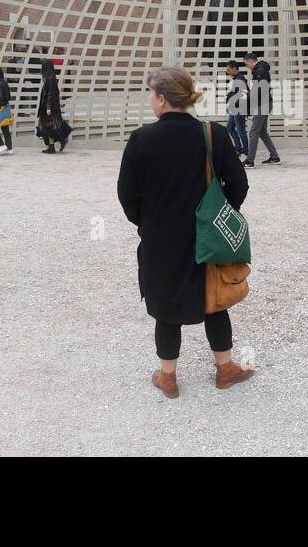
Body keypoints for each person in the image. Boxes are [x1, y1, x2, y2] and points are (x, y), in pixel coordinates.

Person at [117, 66, 254, 398]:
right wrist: (219, 215)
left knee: (166, 309)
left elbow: (126, 194)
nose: (150, 99)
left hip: (160, 241)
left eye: (151, 93)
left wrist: (147, 224)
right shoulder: (213, 134)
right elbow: (239, 184)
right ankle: (224, 369)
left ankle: (168, 377)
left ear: (162, 99)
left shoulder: (141, 139)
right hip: (205, 237)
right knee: (215, 302)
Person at [242, 52, 281, 168]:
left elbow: (259, 90)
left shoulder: (259, 71)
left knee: (253, 132)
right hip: (264, 103)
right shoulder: (261, 69)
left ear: (250, 61)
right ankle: (275, 157)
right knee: (262, 132)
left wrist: (248, 97)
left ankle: (249, 161)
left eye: (246, 64)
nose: (247, 67)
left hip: (262, 104)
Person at [36, 58, 71, 154]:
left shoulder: (50, 80)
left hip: (49, 108)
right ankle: (52, 146)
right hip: (49, 107)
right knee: (49, 127)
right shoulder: (50, 78)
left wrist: (48, 107)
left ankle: (60, 141)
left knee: (48, 127)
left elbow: (50, 95)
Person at [225, 60, 249, 156]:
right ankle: (238, 148)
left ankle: (246, 150)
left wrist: (228, 97)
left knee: (241, 130)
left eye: (229, 70)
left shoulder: (240, 79)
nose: (228, 72)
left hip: (239, 108)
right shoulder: (237, 78)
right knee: (230, 127)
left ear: (234, 69)